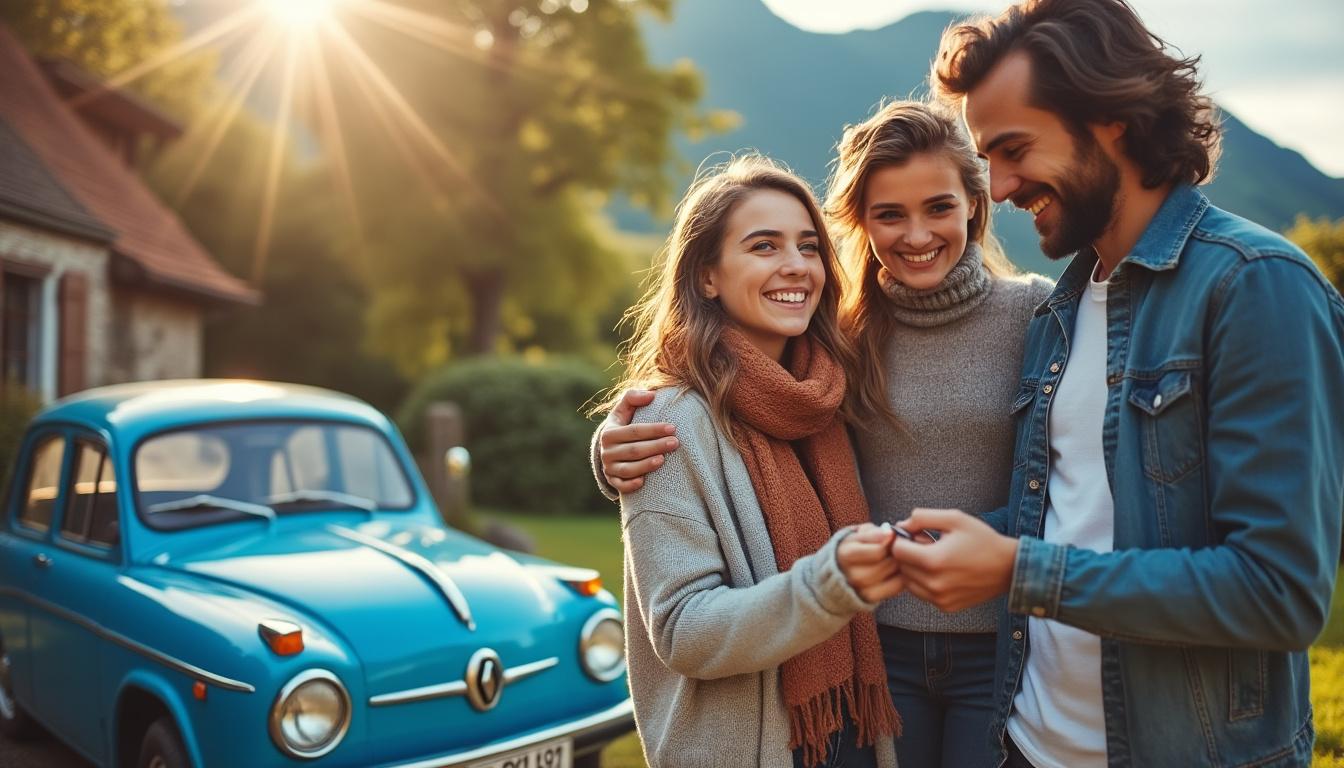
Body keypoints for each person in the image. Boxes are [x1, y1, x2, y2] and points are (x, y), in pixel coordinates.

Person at [884, 1, 1344, 767]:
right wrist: (957, 539)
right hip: (1025, 745)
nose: (998, 187)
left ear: (1112, 121)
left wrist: (1017, 570)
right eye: (988, 158)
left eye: (1014, 150)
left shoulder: (1257, 286)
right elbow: (1078, 516)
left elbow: (1278, 592)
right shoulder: (1058, 311)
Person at [595, 100, 1052, 767]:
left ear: (975, 207)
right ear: (862, 223)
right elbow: (710, 416)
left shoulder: (1029, 315)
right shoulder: (845, 338)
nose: (916, 234)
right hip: (878, 647)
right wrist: (614, 451)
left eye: (939, 207)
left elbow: (1076, 463)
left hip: (1002, 639)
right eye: (889, 214)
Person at [604, 154, 901, 768]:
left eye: (808, 246)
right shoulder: (669, 422)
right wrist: (827, 587)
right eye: (764, 246)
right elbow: (682, 630)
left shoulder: (829, 397)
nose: (796, 265)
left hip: (853, 733)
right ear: (707, 276)